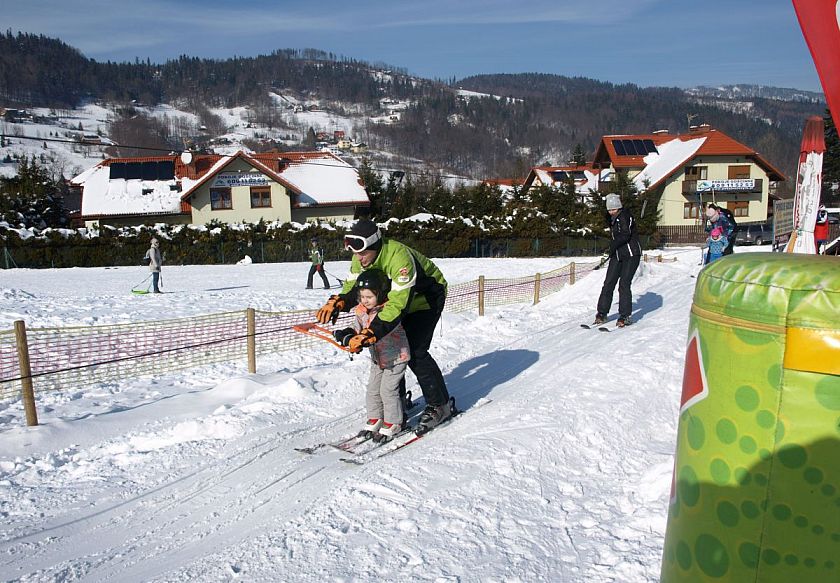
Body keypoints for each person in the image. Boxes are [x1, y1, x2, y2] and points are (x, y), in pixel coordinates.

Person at [316, 219, 453, 433]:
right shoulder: (360, 258)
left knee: (415, 351)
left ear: (375, 247)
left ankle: (440, 405)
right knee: (390, 349)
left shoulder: (398, 257)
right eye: (354, 252)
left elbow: (399, 304)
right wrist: (340, 301)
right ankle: (395, 405)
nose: (358, 258)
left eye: (362, 252)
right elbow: (354, 287)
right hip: (392, 301)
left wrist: (371, 332)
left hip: (425, 299)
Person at [332, 269, 409, 442]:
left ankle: (394, 422)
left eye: (369, 297)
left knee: (387, 391)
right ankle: (376, 418)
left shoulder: (388, 311)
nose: (365, 301)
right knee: (373, 389)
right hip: (378, 359)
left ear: (380, 295)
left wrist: (365, 339)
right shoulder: (361, 310)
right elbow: (357, 327)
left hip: (396, 357)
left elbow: (381, 331)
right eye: (362, 297)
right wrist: (347, 335)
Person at [594, 194, 642, 328]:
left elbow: (625, 235)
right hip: (618, 254)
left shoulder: (625, 216)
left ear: (619, 207)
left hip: (631, 254)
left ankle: (625, 315)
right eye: (609, 210)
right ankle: (601, 313)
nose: (611, 212)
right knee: (608, 283)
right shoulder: (612, 218)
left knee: (624, 284)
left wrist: (612, 245)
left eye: (613, 210)